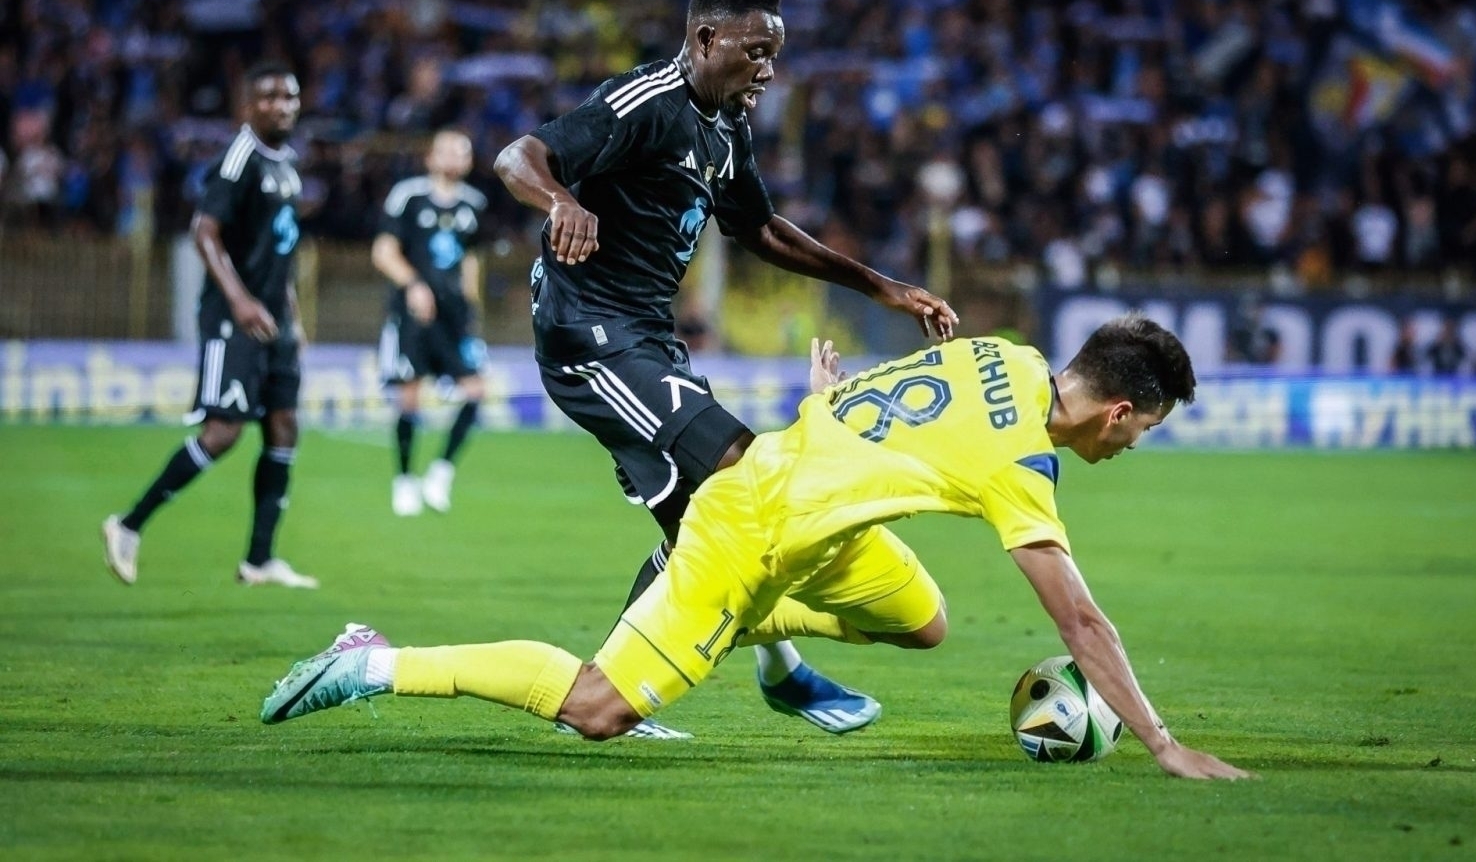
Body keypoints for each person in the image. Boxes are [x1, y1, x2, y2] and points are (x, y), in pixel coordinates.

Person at [262, 315, 1251, 780]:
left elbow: (911, 404)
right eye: (1144, 429)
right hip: (751, 528)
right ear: (1119, 411)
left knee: (925, 621)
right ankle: (375, 659)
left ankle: (765, 639)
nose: (1133, 446)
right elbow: (1080, 621)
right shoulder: (1022, 467)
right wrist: (1164, 745)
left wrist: (830, 399)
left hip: (827, 522)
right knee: (599, 709)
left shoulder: (1007, 355)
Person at [490, 0, 959, 737]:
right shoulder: (647, 102)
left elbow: (761, 228)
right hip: (591, 336)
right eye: (755, 51)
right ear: (706, 38)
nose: (768, 71)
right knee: (746, 476)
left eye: (775, 55)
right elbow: (518, 157)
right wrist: (562, 200)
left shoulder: (725, 123)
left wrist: (883, 288)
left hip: (646, 337)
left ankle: (626, 692)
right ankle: (775, 666)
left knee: (700, 532)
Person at [101, 63, 317, 588]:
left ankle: (259, 560)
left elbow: (280, 251)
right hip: (232, 319)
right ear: (248, 106)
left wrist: (292, 317)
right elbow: (204, 232)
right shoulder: (239, 158)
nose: (282, 106)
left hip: (275, 321)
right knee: (223, 433)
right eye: (270, 97)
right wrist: (240, 301)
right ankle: (128, 525)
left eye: (289, 97)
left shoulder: (287, 164)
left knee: (284, 425)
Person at [371, 130, 489, 515]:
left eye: (462, 152)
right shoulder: (408, 196)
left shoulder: (475, 204)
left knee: (475, 391)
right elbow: (383, 252)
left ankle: (441, 472)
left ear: (469, 161)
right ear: (430, 157)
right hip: (413, 316)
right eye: (447, 150)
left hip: (454, 318)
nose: (454, 157)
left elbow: (471, 259)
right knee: (409, 395)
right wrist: (413, 285)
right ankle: (404, 480)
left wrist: (471, 308)